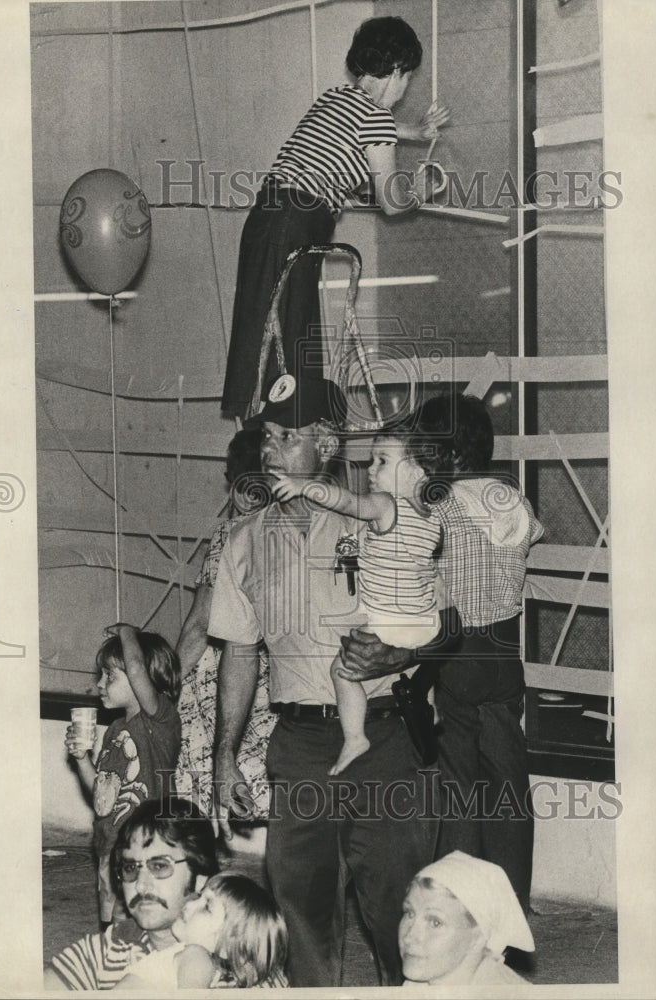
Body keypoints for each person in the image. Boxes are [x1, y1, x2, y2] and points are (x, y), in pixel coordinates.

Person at [208, 374, 441, 987]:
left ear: (329, 445)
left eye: (288, 437)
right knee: (300, 913)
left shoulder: (382, 523)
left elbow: (450, 626)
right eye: (268, 437)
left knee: (401, 910)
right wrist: (224, 756)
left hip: (385, 739)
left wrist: (390, 659)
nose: (269, 449)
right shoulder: (243, 541)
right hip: (302, 746)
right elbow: (239, 652)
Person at [221, 15, 451, 418]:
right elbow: (392, 201)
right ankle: (281, 442)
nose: (405, 88)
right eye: (407, 78)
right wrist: (419, 190)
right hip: (295, 226)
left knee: (265, 346)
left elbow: (355, 153)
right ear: (396, 71)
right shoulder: (375, 118)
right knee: (286, 353)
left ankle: (268, 440)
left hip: (268, 221)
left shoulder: (335, 99)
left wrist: (414, 133)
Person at [414, 392, 544, 910]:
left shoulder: (435, 502)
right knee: (508, 782)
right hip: (505, 653)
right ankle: (512, 901)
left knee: (458, 785)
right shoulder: (510, 497)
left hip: (457, 650)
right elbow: (534, 534)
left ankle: (461, 904)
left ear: (443, 452)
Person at [271, 429, 441, 775]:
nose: (371, 471)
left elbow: (347, 501)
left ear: (418, 473)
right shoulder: (433, 518)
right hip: (424, 622)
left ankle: (354, 736)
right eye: (370, 461)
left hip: (390, 620)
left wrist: (307, 488)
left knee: (343, 669)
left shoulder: (386, 505)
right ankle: (429, 706)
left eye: (382, 461)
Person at [174, 429, 276, 821]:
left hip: (226, 673)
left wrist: (163, 687)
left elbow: (199, 625)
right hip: (277, 677)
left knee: (197, 785)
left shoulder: (230, 536)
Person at [65, 625, 181, 928]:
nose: (100, 684)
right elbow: (102, 796)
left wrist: (128, 632)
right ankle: (111, 951)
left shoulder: (160, 720)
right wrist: (82, 760)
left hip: (150, 841)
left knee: (147, 906)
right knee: (109, 900)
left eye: (110, 676)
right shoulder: (116, 730)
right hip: (110, 838)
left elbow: (137, 667)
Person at [43, 797, 219, 990]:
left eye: (159, 866)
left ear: (201, 878)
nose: (141, 885)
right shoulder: (107, 952)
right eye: (130, 868)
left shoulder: (238, 957)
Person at [114, 873, 289, 990]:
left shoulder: (197, 957)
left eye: (206, 907)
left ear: (227, 946)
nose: (190, 904)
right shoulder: (188, 955)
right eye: (199, 896)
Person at [398, 850, 534, 987]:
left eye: (435, 923)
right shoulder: (418, 984)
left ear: (479, 938)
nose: (409, 937)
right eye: (410, 913)